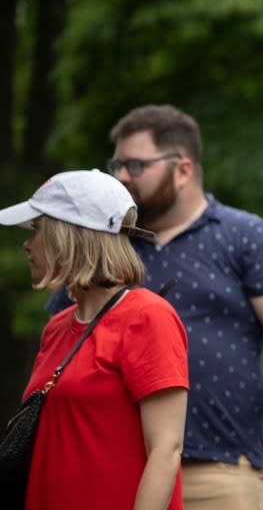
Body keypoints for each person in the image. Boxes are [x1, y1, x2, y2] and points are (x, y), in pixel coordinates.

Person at [45, 106, 263, 508]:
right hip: (121, 468)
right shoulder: (110, 247)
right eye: (118, 164)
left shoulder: (244, 236)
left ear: (182, 169)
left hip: (222, 467)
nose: (121, 177)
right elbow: (63, 337)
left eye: (134, 165)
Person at [1, 169, 189, 509]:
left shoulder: (147, 316)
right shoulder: (56, 327)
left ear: (69, 235)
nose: (27, 244)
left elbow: (166, 449)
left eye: (38, 230)